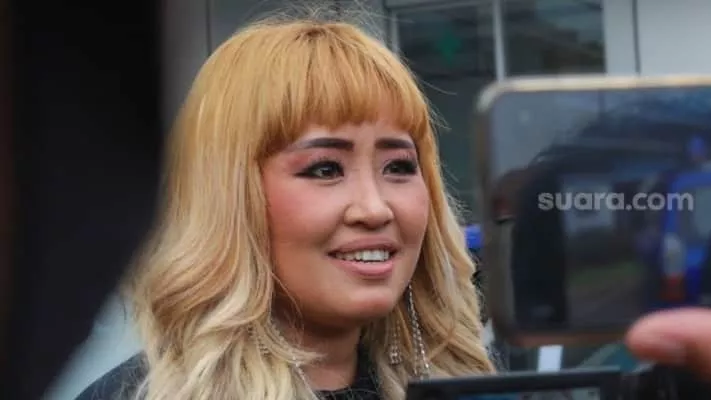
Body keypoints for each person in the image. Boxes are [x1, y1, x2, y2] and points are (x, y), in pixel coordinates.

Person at [75, 13, 494, 400]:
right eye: (325, 169)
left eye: (398, 166)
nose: (374, 208)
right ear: (231, 196)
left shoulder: (470, 386)